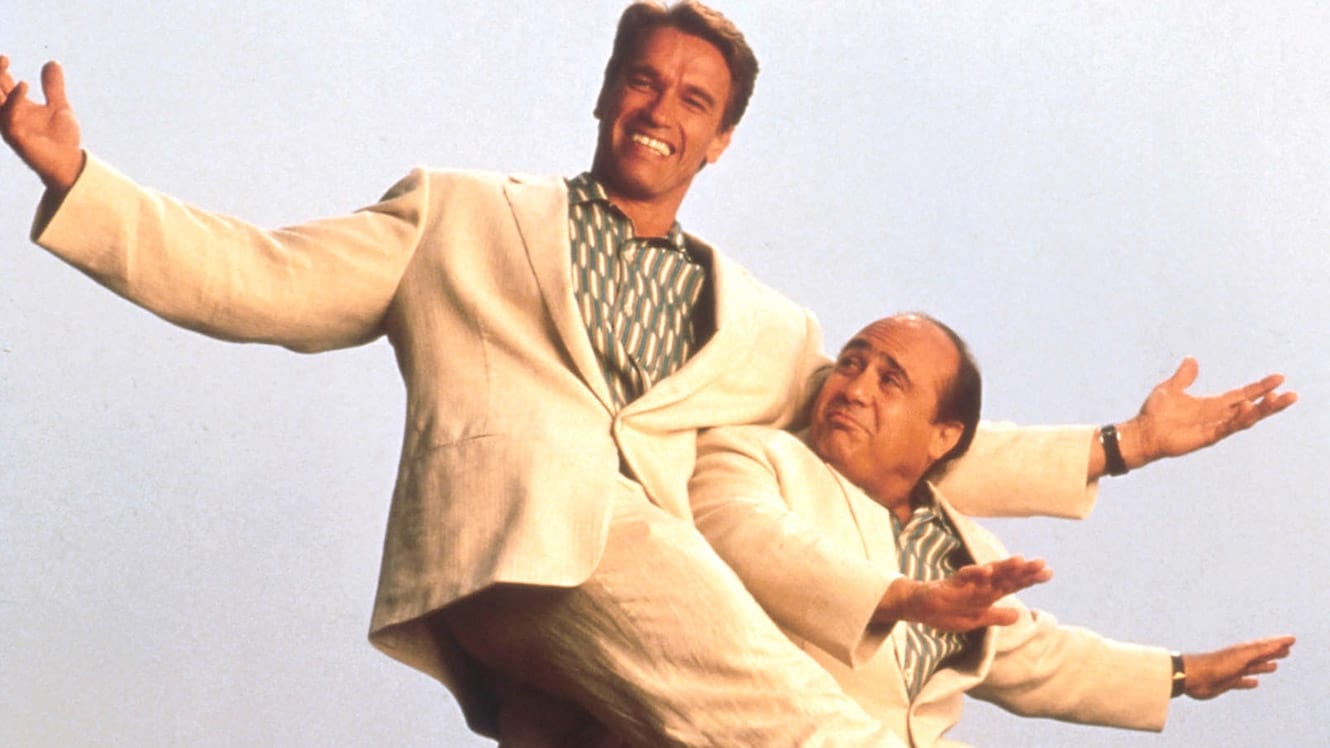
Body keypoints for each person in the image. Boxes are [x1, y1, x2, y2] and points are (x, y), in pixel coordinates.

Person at [0, 2, 1294, 745]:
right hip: (525, 545)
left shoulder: (763, 329)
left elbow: (888, 434)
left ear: (718, 140)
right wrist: (86, 186)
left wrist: (1120, 446)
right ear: (605, 93)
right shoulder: (461, 217)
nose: (659, 111)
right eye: (641, 82)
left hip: (602, 654)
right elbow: (259, 278)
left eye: (691, 100)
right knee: (783, 702)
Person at [690, 313, 1295, 747]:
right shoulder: (754, 455)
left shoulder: (962, 549)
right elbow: (756, 542)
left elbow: (1039, 659)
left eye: (890, 380)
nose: (855, 387)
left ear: (943, 436)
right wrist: (908, 599)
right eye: (850, 364)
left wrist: (1184, 675)